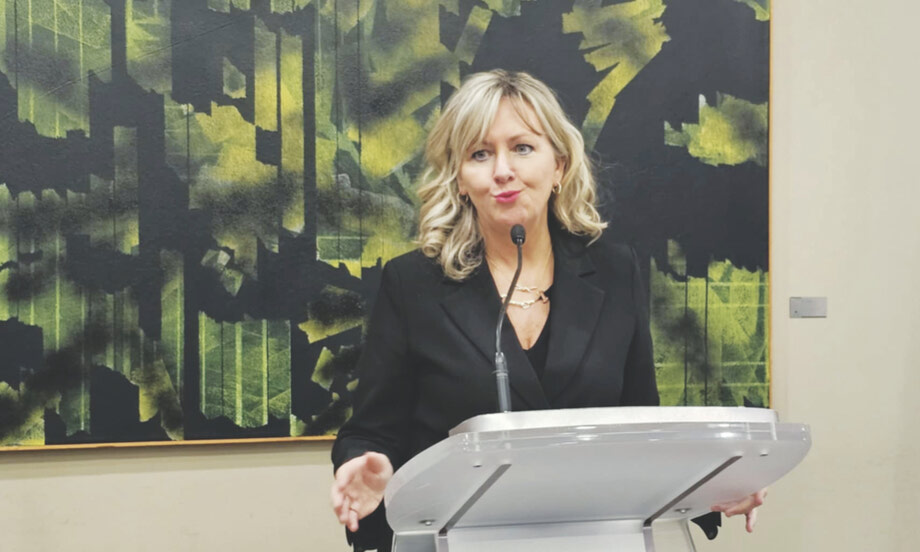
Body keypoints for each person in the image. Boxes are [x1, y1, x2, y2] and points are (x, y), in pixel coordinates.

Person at [330, 69, 764, 551]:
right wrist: (364, 464)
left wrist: (711, 487)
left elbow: (640, 431)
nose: (502, 170)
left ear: (559, 166)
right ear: (459, 180)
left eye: (522, 147)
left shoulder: (615, 271)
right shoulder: (413, 283)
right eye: (479, 154)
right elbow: (371, 431)